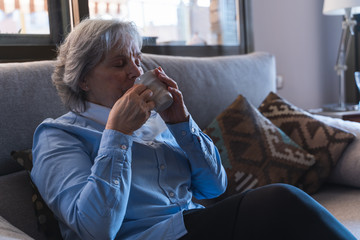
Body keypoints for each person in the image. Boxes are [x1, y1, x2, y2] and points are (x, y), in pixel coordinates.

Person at [31, 18, 356, 240]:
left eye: (136, 59)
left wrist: (181, 122)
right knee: (279, 201)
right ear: (82, 79)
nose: (135, 72)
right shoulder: (58, 136)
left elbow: (215, 187)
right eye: (119, 64)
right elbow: (95, 230)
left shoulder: (156, 120)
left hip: (194, 226)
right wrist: (118, 135)